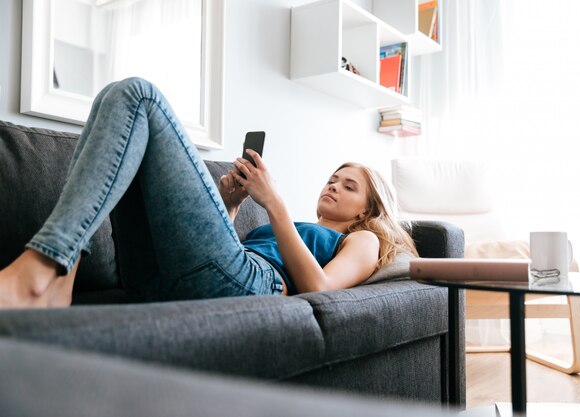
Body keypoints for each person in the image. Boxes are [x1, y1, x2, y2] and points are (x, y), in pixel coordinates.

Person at [0, 78, 417, 309]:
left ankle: (44, 269)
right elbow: (214, 263)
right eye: (333, 178)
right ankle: (62, 274)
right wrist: (231, 204)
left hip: (255, 286)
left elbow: (321, 290)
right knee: (111, 98)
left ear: (369, 207)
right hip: (162, 279)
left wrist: (273, 203)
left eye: (349, 186)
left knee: (139, 95)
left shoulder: (362, 239)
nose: (333, 185)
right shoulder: (303, 228)